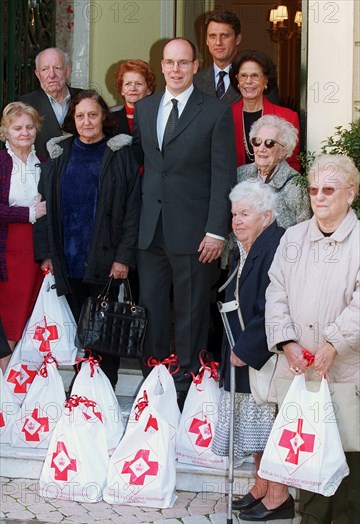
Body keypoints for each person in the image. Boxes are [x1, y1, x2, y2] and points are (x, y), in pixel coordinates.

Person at [132, 38, 237, 409]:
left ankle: (189, 379)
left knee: (192, 309)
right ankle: (154, 374)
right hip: (151, 228)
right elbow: (145, 170)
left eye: (183, 63)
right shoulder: (144, 109)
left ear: (196, 66)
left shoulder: (215, 112)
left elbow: (224, 173)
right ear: (161, 66)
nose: (176, 69)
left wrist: (216, 230)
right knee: (151, 305)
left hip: (196, 232)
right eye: (170, 62)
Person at [265, 155, 360, 524]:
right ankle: (311, 521)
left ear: (350, 194)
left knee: (349, 447)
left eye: (329, 190)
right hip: (300, 363)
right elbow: (275, 292)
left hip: (345, 365)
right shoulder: (293, 237)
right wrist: (286, 341)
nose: (319, 197)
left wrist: (334, 343)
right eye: (314, 189)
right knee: (305, 441)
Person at [34, 90, 140, 389]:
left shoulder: (120, 155)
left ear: (104, 118)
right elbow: (44, 207)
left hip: (105, 261)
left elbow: (133, 211)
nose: (86, 121)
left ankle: (100, 393)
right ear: (73, 120)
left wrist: (123, 258)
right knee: (78, 331)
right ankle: (82, 389)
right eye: (80, 116)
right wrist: (46, 254)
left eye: (92, 114)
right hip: (66, 260)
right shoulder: (59, 154)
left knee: (102, 333)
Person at [212, 180, 294, 521]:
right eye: (234, 214)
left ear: (267, 216)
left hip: (263, 354)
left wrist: (246, 348)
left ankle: (279, 496)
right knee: (255, 428)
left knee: (268, 428)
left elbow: (273, 305)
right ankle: (262, 486)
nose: (236, 221)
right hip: (244, 349)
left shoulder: (274, 245)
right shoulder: (247, 245)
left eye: (245, 214)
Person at [0, 102, 46, 372]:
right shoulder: (2, 162)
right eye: (17, 128)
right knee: (9, 315)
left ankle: (21, 381)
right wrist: (28, 213)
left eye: (29, 127)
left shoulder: (46, 162)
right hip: (7, 248)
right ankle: (5, 381)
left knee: (29, 314)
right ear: (6, 132)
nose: (24, 132)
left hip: (36, 249)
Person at [231, 50, 301, 171]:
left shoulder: (288, 117)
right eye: (243, 75)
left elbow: (293, 164)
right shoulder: (225, 115)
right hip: (234, 187)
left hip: (274, 187)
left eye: (255, 75)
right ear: (237, 80)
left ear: (266, 80)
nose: (248, 81)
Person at [238, 115, 311, 228]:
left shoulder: (295, 185)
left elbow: (304, 229)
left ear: (283, 151)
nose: (261, 149)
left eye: (270, 143)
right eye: (257, 141)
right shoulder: (240, 174)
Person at [194, 10, 279, 105]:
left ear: (237, 39)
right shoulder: (195, 81)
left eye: (224, 36)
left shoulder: (261, 79)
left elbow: (272, 118)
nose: (218, 42)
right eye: (212, 36)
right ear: (206, 40)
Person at [20, 47, 81, 158]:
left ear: (67, 71)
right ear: (38, 75)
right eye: (45, 69)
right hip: (41, 173)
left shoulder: (86, 99)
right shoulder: (24, 104)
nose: (51, 75)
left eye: (57, 68)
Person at [111, 59, 156, 135]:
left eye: (138, 84)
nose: (133, 88)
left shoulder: (158, 117)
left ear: (149, 89)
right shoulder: (109, 118)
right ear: (121, 90)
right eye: (127, 84)